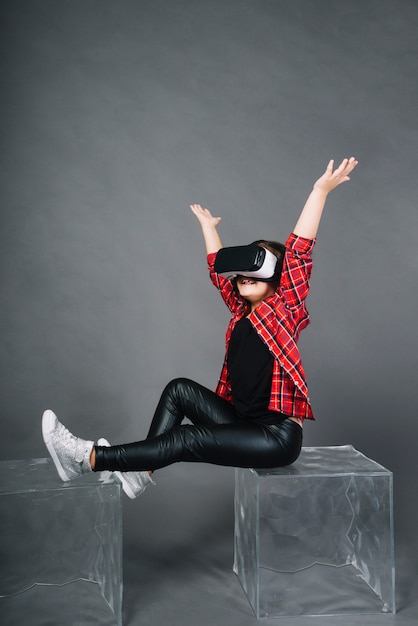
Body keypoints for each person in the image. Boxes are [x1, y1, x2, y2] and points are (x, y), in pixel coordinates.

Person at [42, 157, 358, 499]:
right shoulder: (241, 313)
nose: (243, 279)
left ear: (277, 280)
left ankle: (85, 457)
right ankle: (139, 475)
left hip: (276, 437)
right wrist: (209, 228)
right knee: (179, 390)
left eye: (257, 268)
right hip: (241, 423)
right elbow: (217, 271)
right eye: (241, 273)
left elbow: (298, 255)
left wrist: (319, 192)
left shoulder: (283, 310)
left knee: (184, 439)